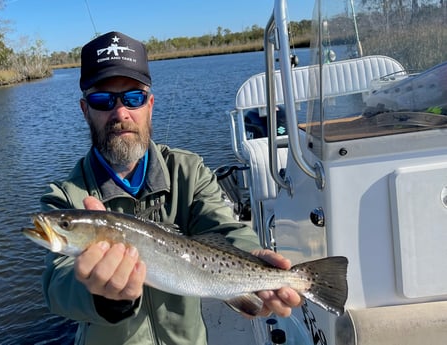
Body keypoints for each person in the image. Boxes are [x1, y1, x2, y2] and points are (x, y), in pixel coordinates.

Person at [40, 31, 301, 345]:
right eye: (102, 100)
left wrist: (251, 258)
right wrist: (104, 297)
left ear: (150, 105)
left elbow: (225, 228)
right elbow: (57, 286)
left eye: (133, 98)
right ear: (85, 110)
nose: (120, 113)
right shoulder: (65, 196)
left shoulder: (187, 170)